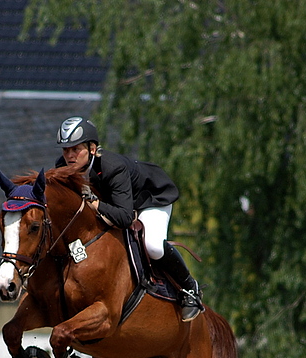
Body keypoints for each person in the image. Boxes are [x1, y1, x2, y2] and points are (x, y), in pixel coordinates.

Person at [54, 116, 204, 322]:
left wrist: (95, 204)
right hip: (119, 204)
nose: (69, 156)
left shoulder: (111, 167)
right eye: (66, 150)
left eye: (75, 149)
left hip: (149, 199)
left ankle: (190, 288)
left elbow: (124, 218)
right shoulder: (62, 167)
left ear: (91, 148)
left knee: (153, 246)